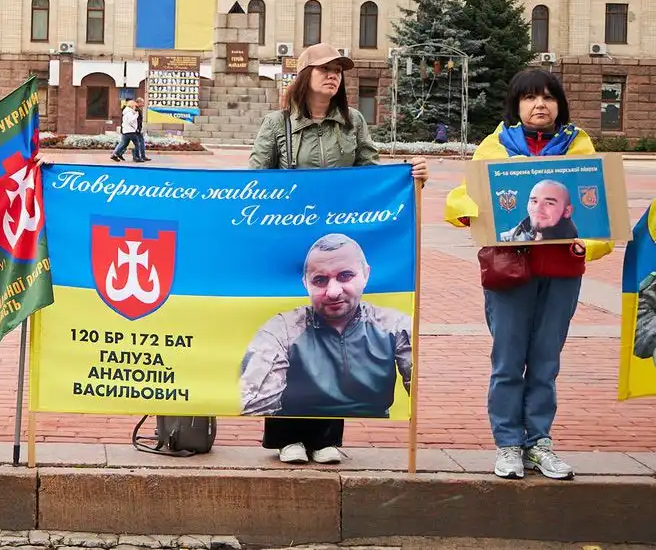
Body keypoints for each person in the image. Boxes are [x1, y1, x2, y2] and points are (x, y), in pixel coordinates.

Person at [249, 42, 427, 465]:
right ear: (304, 75)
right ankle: (286, 436)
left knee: (335, 334)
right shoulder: (278, 125)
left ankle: (326, 435)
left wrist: (409, 177)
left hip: (337, 247)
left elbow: (372, 174)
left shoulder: (352, 122)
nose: (333, 76)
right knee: (297, 338)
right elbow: (253, 178)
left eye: (339, 71)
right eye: (325, 69)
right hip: (291, 247)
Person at [445, 68, 613, 481]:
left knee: (545, 362)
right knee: (507, 361)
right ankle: (507, 444)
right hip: (509, 272)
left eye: (548, 97)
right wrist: (470, 214)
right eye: (530, 98)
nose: (540, 105)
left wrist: (587, 245)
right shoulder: (495, 146)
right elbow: (465, 197)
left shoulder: (579, 147)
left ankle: (539, 442)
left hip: (561, 272)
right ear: (516, 105)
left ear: (560, 104)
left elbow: (600, 215)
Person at [240, 235, 412, 419]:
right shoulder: (281, 330)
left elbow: (423, 391)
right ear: (305, 283)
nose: (333, 292)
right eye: (320, 280)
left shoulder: (394, 326)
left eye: (345, 276)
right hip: (295, 433)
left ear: (366, 275)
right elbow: (256, 407)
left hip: (369, 433)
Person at [498, 180, 579, 243]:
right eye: (534, 201)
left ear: (567, 211)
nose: (538, 208)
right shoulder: (506, 240)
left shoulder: (579, 244)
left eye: (549, 203)